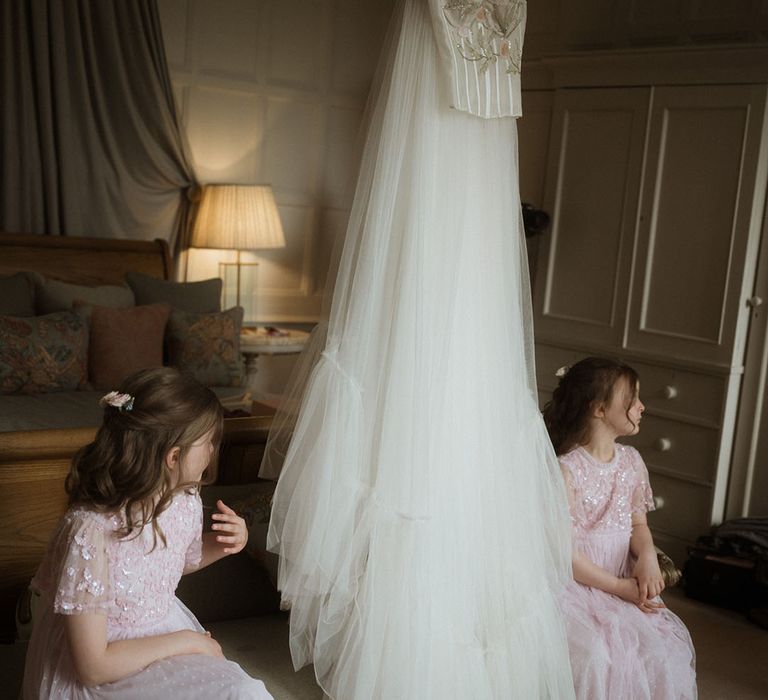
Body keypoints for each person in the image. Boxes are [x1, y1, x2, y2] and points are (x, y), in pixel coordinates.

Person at [264, 0, 576, 698]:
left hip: (473, 251)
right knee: (417, 448)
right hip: (439, 191)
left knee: (449, 436)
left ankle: (459, 648)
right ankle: (412, 644)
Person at [22, 367, 273, 699]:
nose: (213, 452)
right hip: (107, 662)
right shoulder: (90, 533)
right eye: (208, 442)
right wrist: (187, 641)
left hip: (159, 629)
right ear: (173, 456)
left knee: (244, 691)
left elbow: (166, 566)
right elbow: (92, 667)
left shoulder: (183, 498)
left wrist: (225, 544)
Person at [543, 357, 697, 700]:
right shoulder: (566, 470)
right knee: (596, 655)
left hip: (624, 576)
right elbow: (565, 555)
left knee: (661, 651)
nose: (642, 407)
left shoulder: (631, 462)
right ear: (600, 409)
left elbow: (638, 524)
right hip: (581, 585)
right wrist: (618, 588)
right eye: (633, 398)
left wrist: (646, 557)